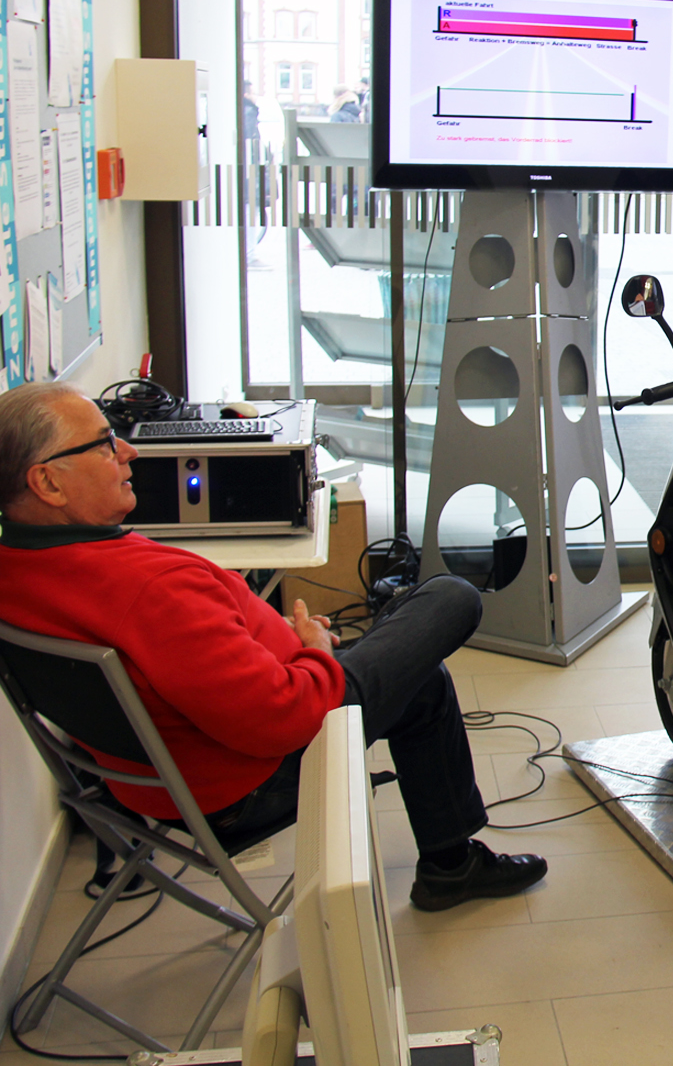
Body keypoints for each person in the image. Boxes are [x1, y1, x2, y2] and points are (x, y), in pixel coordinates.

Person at [0, 383, 547, 912]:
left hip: (150, 781)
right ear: (47, 482)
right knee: (450, 598)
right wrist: (315, 652)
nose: (128, 450)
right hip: (251, 780)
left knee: (421, 680)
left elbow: (181, 656)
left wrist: (261, 633)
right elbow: (285, 719)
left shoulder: (17, 570)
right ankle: (452, 866)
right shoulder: (148, 589)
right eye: (103, 444)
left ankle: (451, 867)